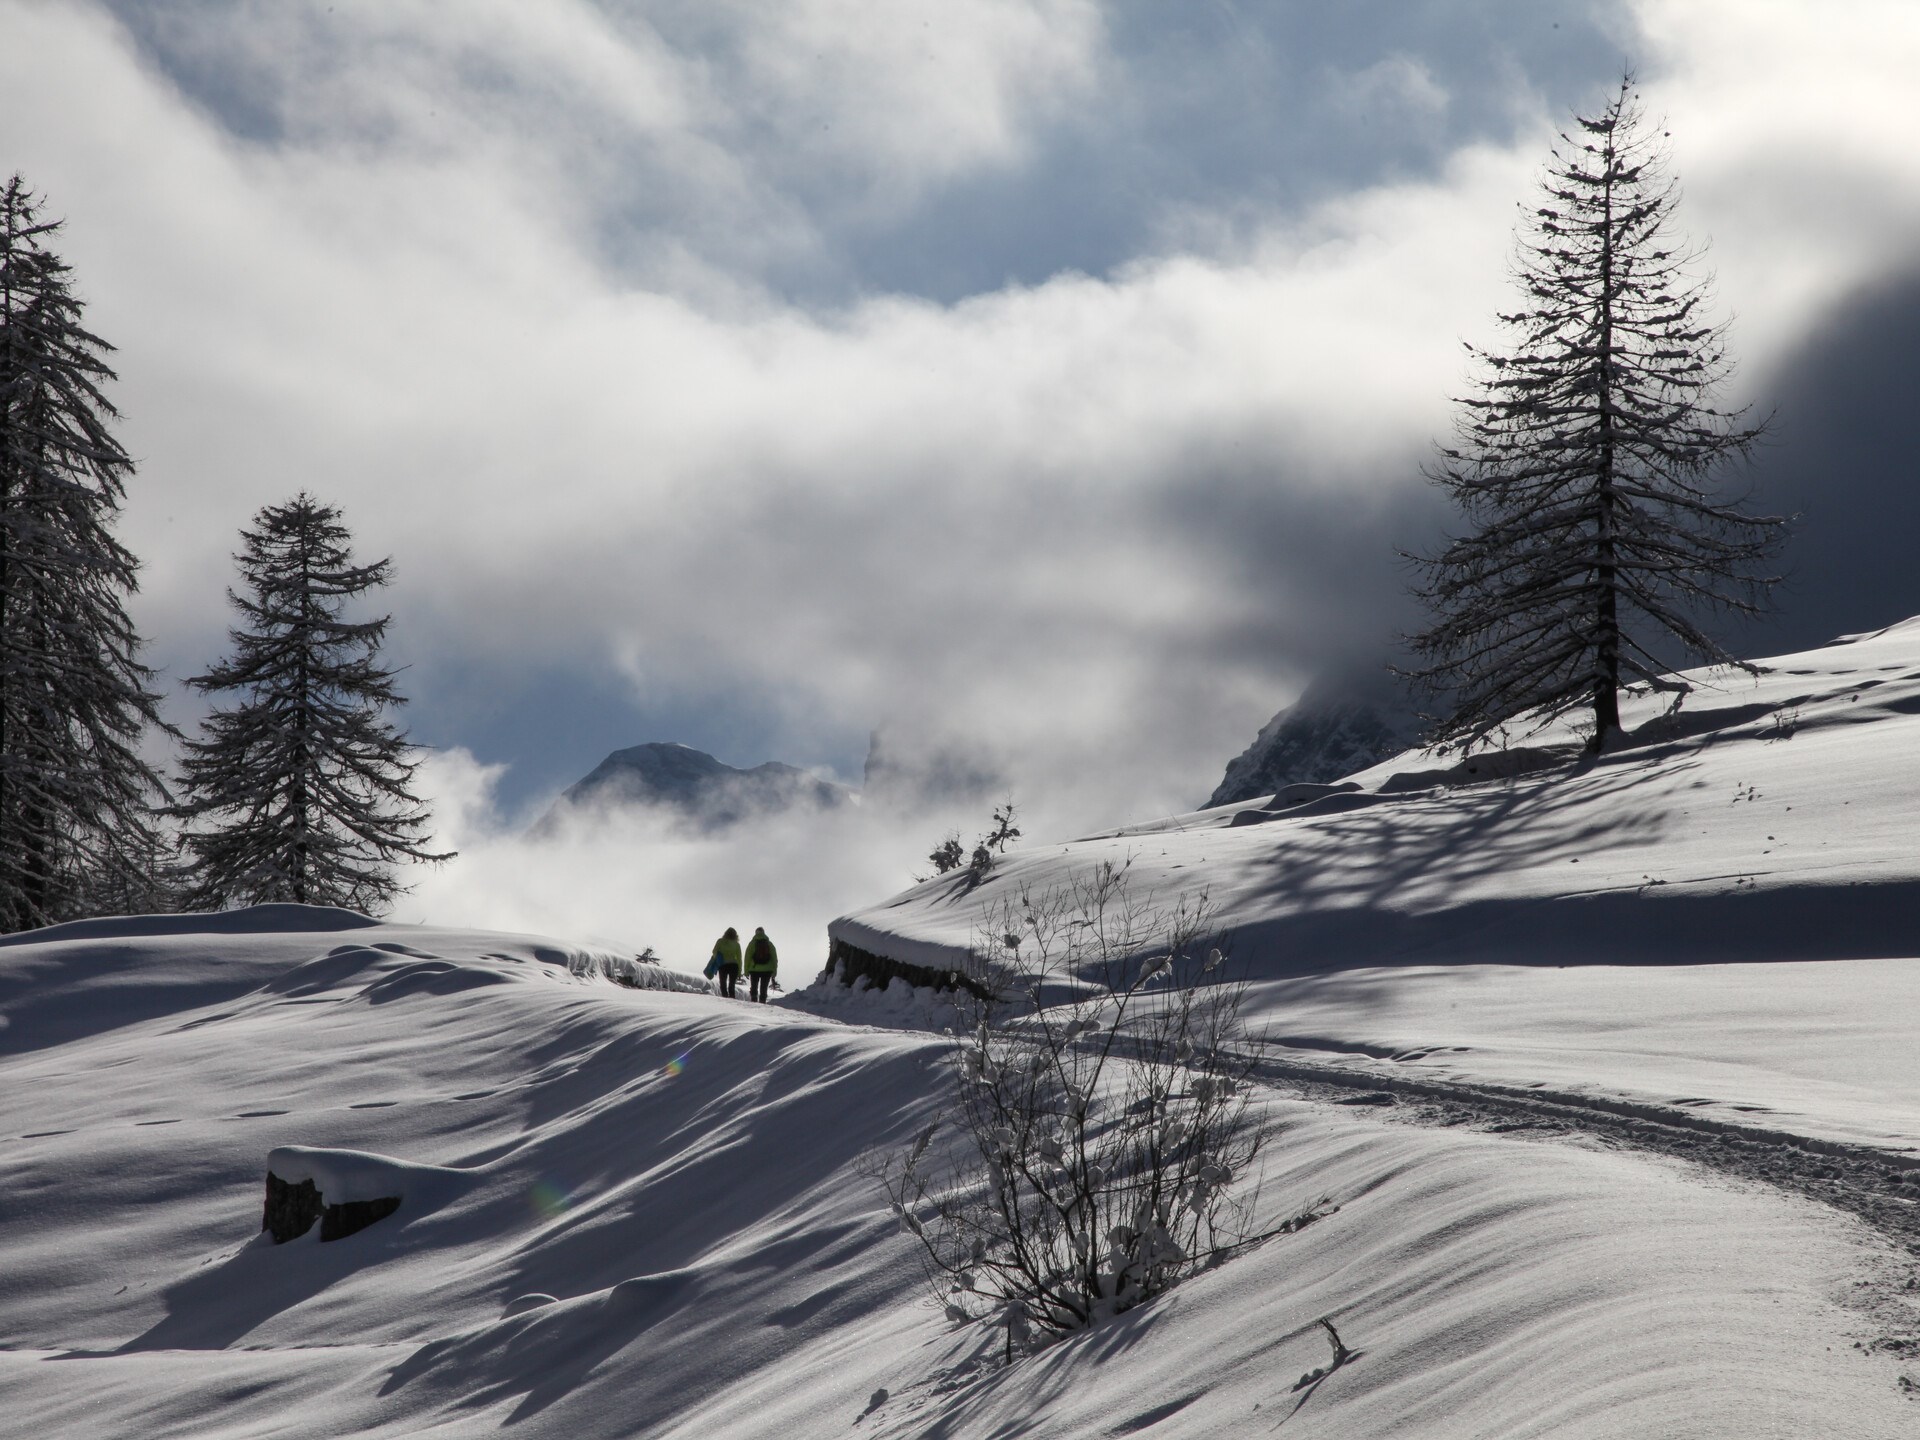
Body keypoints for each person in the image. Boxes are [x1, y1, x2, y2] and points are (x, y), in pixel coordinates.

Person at [742, 925, 778, 1003]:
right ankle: (762, 1002)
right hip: (767, 970)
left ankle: (754, 1000)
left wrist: (746, 971)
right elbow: (774, 958)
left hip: (754, 969)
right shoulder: (769, 944)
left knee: (754, 986)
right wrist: (774, 971)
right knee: (763, 988)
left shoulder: (752, 944)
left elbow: (747, 958)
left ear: (755, 933)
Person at [706, 926, 742, 998]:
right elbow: (739, 959)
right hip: (734, 965)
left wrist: (719, 957)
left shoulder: (720, 941)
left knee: (723, 983)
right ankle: (732, 997)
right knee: (732, 984)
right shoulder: (737, 944)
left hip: (723, 964)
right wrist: (739, 971)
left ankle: (725, 997)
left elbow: (714, 951)